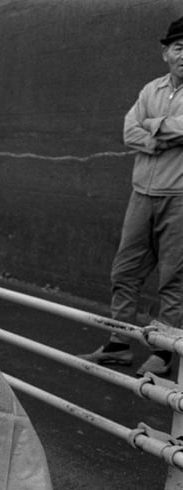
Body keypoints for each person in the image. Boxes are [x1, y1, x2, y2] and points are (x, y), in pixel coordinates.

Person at [79, 16, 183, 377]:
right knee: (124, 271)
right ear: (165, 53)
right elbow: (128, 131)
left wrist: (150, 127)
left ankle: (165, 352)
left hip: (179, 198)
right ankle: (119, 344)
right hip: (141, 195)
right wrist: (162, 135)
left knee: (174, 279)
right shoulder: (150, 90)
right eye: (180, 48)